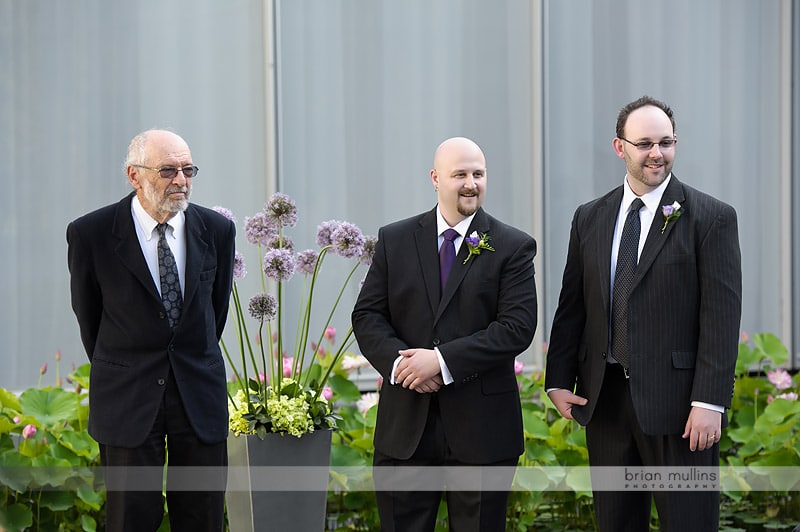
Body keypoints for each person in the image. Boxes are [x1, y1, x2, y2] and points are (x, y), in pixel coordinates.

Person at [545, 96, 742, 531]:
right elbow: (573, 304)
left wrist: (709, 401)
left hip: (681, 408)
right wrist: (558, 378)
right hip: (607, 401)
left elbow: (721, 318)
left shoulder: (711, 218)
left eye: (666, 143)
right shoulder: (590, 217)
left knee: (689, 523)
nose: (657, 153)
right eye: (645, 143)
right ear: (620, 147)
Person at [352, 136, 538, 531]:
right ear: (435, 178)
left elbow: (516, 327)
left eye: (478, 174)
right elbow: (368, 315)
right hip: (406, 428)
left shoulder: (513, 246)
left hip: (482, 429)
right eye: (460, 174)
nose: (471, 183)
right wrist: (404, 367)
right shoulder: (395, 239)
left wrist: (439, 361)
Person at [67, 129, 236, 531]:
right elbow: (89, 318)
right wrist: (128, 364)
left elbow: (216, 312)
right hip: (127, 398)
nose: (181, 181)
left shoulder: (216, 230)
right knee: (130, 519)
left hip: (198, 395)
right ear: (134, 175)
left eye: (187, 170)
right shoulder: (91, 234)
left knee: (203, 517)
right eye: (168, 170)